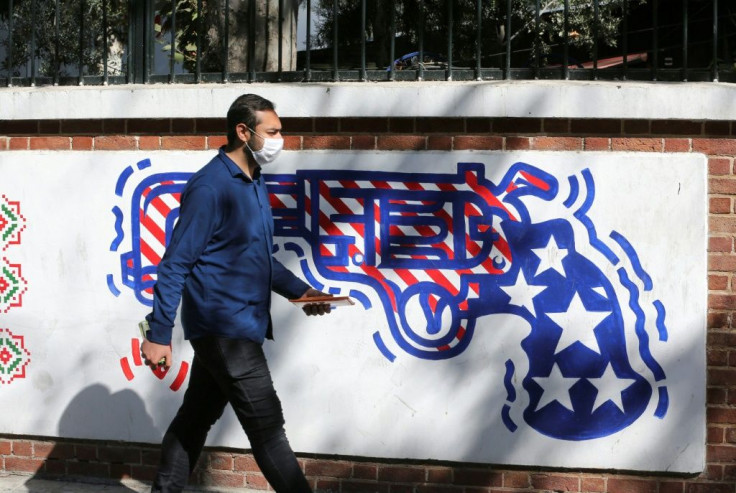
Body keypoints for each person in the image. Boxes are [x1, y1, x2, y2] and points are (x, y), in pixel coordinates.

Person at [140, 94, 331, 493]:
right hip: (224, 330)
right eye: (273, 132)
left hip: (239, 326)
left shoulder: (253, 181)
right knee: (268, 430)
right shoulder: (210, 188)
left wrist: (303, 292)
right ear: (243, 132)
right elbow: (176, 263)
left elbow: (256, 257)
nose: (281, 140)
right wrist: (159, 335)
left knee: (194, 421)